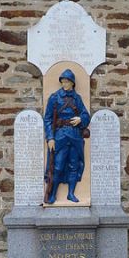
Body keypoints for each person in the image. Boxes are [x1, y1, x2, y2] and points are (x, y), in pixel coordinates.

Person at [44, 69, 90, 204]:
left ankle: (70, 193)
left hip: (75, 136)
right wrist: (50, 138)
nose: (64, 84)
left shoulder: (77, 98)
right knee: (57, 166)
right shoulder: (55, 97)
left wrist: (81, 119)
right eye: (63, 82)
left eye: (67, 82)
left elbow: (86, 115)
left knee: (74, 165)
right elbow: (47, 119)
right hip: (60, 136)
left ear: (72, 83)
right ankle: (52, 194)